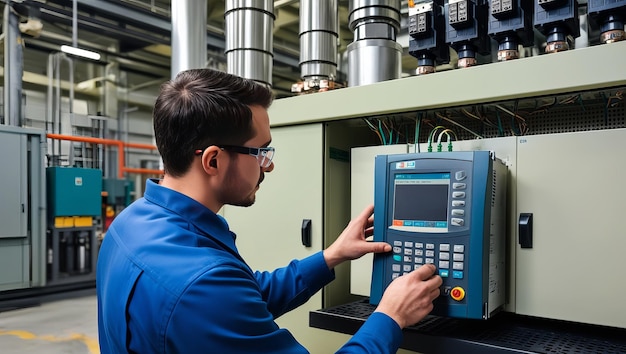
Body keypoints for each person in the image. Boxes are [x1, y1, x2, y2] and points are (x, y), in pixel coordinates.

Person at [96, 68, 442, 353]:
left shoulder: (130, 224)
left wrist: (331, 256)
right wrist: (390, 316)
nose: (268, 166)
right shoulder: (202, 283)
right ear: (212, 160)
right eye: (260, 151)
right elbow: (216, 296)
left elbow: (243, 296)